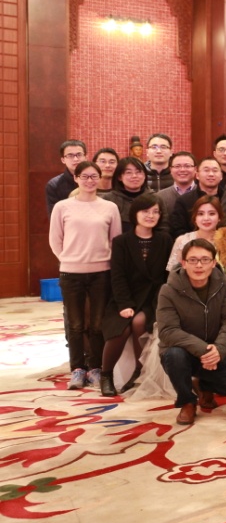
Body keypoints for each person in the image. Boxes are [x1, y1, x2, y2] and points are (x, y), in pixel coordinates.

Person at [156, 239, 226, 425]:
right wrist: (204, 350)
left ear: (214, 263)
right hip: (183, 352)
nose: (199, 265)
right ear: (183, 263)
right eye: (193, 260)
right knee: (175, 355)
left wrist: (219, 350)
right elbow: (168, 330)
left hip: (215, 350)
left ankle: (203, 386)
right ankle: (187, 401)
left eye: (205, 260)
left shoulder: (224, 284)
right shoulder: (168, 290)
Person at [50, 160, 122, 390]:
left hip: (101, 272)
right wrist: (69, 259)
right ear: (76, 178)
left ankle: (95, 367)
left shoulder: (109, 207)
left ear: (99, 179)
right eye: (85, 176)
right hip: (71, 273)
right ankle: (77, 369)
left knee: (97, 324)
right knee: (76, 324)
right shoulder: (62, 207)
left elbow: (115, 240)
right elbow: (55, 239)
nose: (90, 181)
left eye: (94, 177)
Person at [100, 194, 173, 397]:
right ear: (135, 214)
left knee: (140, 322)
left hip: (153, 298)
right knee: (120, 328)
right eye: (145, 211)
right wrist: (124, 304)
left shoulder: (165, 240)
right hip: (126, 296)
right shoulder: (122, 241)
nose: (151, 215)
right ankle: (106, 376)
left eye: (155, 212)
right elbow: (118, 276)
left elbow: (167, 275)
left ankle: (139, 373)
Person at [169, 158, 224, 237]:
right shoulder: (184, 201)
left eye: (215, 170)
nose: (211, 174)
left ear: (221, 176)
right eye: (206, 170)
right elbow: (178, 230)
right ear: (197, 175)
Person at [168, 196, 222, 271]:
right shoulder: (182, 241)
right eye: (201, 214)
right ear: (195, 218)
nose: (206, 218)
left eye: (211, 214)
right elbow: (173, 273)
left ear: (219, 217)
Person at [105, 157, 154, 235]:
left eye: (138, 172)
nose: (134, 176)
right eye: (128, 172)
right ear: (119, 177)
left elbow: (163, 227)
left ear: (145, 175)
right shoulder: (108, 200)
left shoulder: (155, 198)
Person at [47, 140, 87, 214]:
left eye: (79, 154)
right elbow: (54, 216)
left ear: (85, 157)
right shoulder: (54, 185)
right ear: (63, 160)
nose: (75, 159)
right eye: (70, 155)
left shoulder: (94, 180)